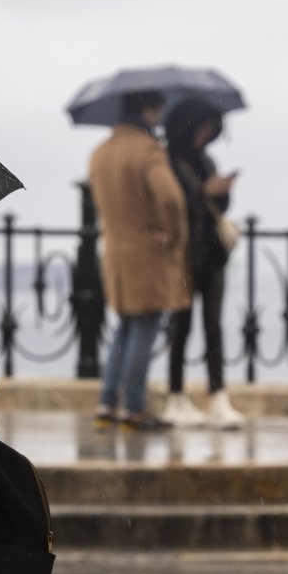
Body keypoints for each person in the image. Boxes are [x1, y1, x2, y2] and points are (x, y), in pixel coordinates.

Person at [88, 90, 191, 431]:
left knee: (126, 327)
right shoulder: (147, 149)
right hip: (147, 250)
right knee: (145, 326)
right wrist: (174, 235)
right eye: (158, 111)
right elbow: (172, 198)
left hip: (114, 251)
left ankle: (107, 402)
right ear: (148, 109)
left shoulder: (100, 152)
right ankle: (135, 408)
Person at [161, 98, 245, 429]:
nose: (205, 136)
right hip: (183, 254)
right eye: (203, 128)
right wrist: (201, 194)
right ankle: (176, 395)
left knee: (213, 326)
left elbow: (216, 207)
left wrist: (220, 192)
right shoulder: (168, 161)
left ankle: (218, 395)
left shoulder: (206, 160)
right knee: (180, 327)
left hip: (211, 254)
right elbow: (172, 206)